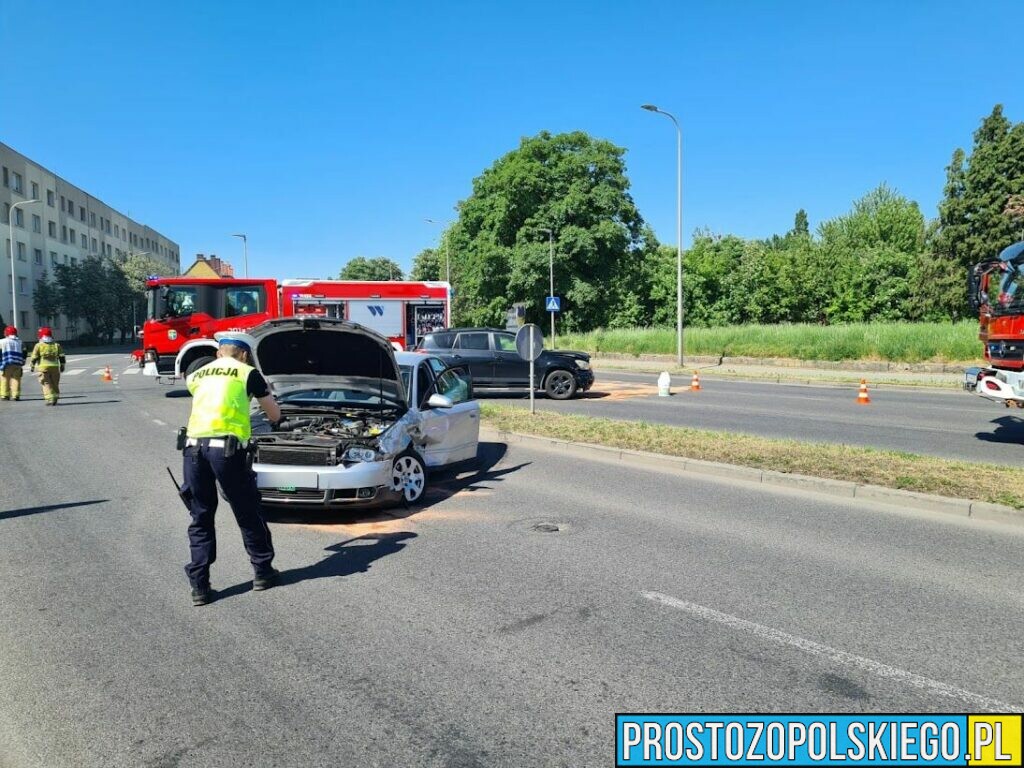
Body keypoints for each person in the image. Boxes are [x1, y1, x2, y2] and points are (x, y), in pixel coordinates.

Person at [182, 333, 282, 606]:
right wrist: (278, 420)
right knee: (247, 510)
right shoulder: (248, 373)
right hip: (226, 451)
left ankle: (200, 588)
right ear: (246, 355)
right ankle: (262, 572)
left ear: (219, 353)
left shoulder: (198, 374)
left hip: (192, 449)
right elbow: (273, 414)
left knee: (200, 516)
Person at [29, 327, 65, 406]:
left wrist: (32, 366)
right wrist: (62, 365)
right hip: (55, 367)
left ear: (41, 336)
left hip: (43, 368)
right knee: (55, 383)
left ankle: (50, 399)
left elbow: (34, 357)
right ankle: (55, 397)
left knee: (46, 382)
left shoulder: (38, 345)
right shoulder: (56, 345)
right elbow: (62, 356)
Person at [0, 326, 25, 401]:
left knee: (5, 379)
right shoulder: (20, 342)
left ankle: (5, 395)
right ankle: (16, 395)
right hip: (18, 363)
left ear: (6, 333)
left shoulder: (1, 341)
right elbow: (24, 352)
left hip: (6, 363)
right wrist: (23, 360)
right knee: (16, 379)